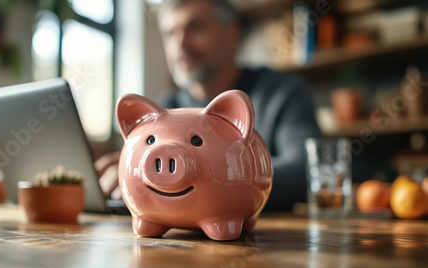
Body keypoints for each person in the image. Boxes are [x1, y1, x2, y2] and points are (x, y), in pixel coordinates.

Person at [96, 0, 322, 211]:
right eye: (170, 33)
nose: (180, 44)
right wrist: (131, 173)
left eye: (195, 28)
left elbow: (306, 170)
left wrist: (198, 174)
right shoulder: (165, 107)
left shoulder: (284, 93)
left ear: (231, 35)